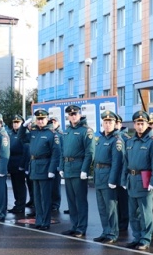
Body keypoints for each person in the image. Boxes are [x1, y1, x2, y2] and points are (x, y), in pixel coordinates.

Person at [120, 111, 153, 251]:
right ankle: (137, 237)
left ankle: (145, 239)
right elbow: (125, 162)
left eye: (142, 123)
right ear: (134, 124)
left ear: (147, 124)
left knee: (145, 213)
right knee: (133, 213)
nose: (139, 126)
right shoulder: (130, 141)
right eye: (137, 124)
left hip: (145, 181)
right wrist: (123, 180)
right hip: (132, 181)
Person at [60, 104, 94, 238]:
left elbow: (89, 152)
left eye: (75, 114)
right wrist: (61, 167)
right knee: (71, 201)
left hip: (78, 168)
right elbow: (62, 151)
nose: (73, 116)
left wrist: (85, 169)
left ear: (79, 115)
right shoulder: (67, 131)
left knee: (80, 200)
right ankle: (74, 225)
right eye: (70, 114)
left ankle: (81, 227)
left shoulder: (86, 131)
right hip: (68, 169)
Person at [24, 109, 61, 230]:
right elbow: (21, 137)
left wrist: (52, 169)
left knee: (45, 198)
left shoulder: (52, 134)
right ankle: (39, 221)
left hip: (45, 167)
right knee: (37, 199)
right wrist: (23, 126)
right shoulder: (34, 133)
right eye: (38, 119)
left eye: (42, 119)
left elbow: (56, 153)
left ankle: (45, 222)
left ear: (47, 119)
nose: (40, 121)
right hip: (35, 167)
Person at [92, 110, 124, 244]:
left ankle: (112, 233)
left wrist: (113, 180)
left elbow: (118, 162)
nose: (107, 125)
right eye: (105, 122)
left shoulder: (116, 140)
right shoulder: (101, 139)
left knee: (111, 208)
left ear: (115, 124)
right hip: (99, 176)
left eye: (110, 122)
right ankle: (105, 231)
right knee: (102, 208)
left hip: (108, 177)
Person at [6, 114, 29, 214]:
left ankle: (21, 205)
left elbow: (26, 150)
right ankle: (17, 204)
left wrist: (23, 164)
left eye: (17, 122)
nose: (15, 124)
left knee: (20, 185)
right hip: (12, 161)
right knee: (14, 185)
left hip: (20, 161)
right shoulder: (10, 133)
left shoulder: (24, 134)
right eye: (14, 122)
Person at [114, 114, 130, 237]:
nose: (115, 125)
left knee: (123, 200)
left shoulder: (125, 138)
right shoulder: (111, 137)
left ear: (120, 124)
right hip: (114, 174)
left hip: (122, 174)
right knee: (116, 201)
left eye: (117, 123)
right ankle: (118, 221)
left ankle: (123, 223)